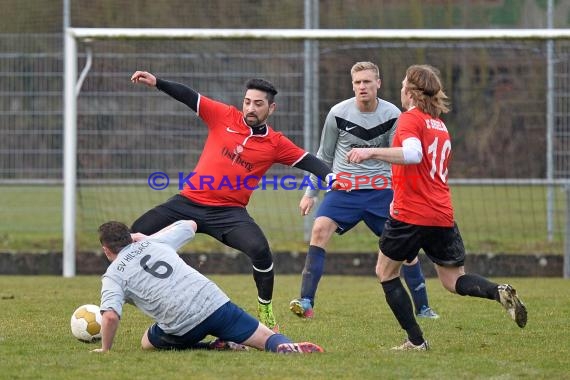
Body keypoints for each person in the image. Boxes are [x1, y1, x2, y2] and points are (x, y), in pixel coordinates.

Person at [129, 71, 342, 331]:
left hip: (228, 213)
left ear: (271, 108)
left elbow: (307, 159)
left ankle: (265, 311)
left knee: (261, 251)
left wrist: (330, 177)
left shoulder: (275, 143)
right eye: (247, 101)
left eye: (258, 104)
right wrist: (158, 83)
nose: (250, 108)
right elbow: (189, 96)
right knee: (131, 236)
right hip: (188, 202)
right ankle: (131, 291)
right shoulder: (224, 115)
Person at [346, 64, 527, 350]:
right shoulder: (439, 125)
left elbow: (414, 155)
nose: (401, 89)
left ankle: (416, 342)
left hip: (411, 214)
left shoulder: (410, 119)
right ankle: (497, 291)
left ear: (412, 92)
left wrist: (371, 151)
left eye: (405, 84)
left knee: (385, 272)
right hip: (441, 213)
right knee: (454, 280)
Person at [290, 62, 438, 320]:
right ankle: (305, 302)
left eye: (367, 82)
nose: (362, 87)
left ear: (378, 83)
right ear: (352, 85)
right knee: (319, 230)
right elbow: (323, 156)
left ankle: (423, 308)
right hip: (344, 190)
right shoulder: (338, 113)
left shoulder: (393, 114)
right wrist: (310, 193)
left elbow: (400, 156)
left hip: (381, 193)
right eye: (357, 82)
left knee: (407, 251)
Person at [92, 219, 324, 354]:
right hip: (214, 302)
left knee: (146, 342)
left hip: (182, 325)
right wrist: (147, 236)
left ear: (106, 250)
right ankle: (284, 346)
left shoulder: (112, 275)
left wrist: (105, 350)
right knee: (266, 337)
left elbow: (110, 317)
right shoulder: (154, 241)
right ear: (130, 237)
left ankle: (210, 346)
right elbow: (190, 224)